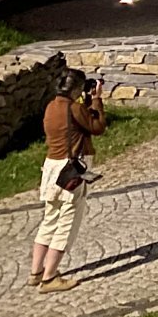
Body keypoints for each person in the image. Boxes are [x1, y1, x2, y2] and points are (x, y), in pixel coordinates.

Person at [30, 67, 106, 293]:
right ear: (76, 89)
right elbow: (97, 127)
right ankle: (49, 278)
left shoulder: (51, 106)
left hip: (52, 167)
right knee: (67, 224)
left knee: (50, 219)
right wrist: (96, 100)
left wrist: (87, 102)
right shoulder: (73, 108)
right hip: (70, 170)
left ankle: (36, 272)